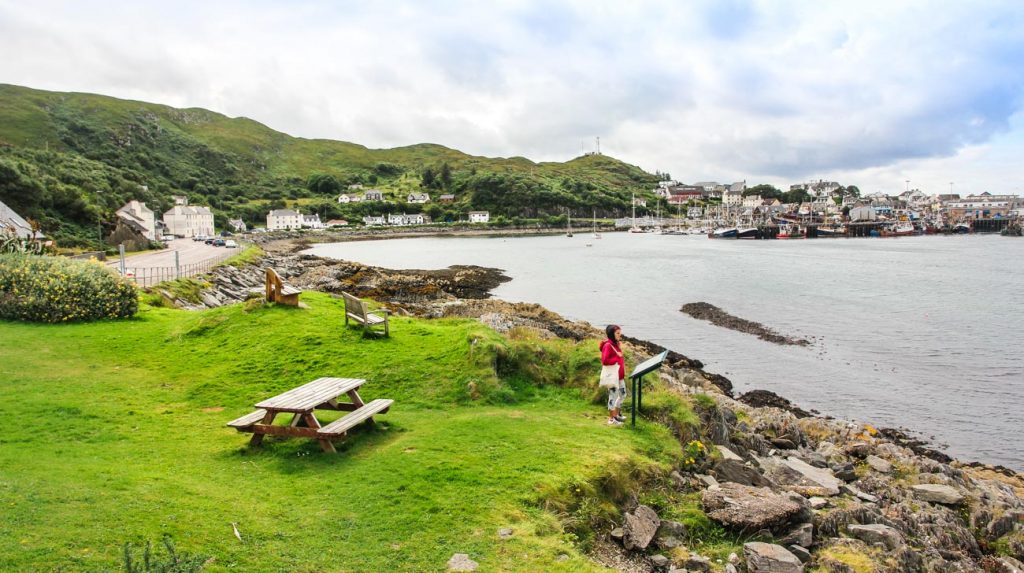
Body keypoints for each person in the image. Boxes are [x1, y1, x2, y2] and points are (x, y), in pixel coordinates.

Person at [600, 324, 627, 425]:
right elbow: (605, 360)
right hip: (612, 377)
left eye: (620, 333)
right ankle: (611, 419)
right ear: (612, 334)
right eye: (618, 333)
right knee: (613, 396)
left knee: (623, 394)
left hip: (620, 376)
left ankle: (616, 414)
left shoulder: (616, 344)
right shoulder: (608, 345)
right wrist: (617, 357)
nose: (620, 335)